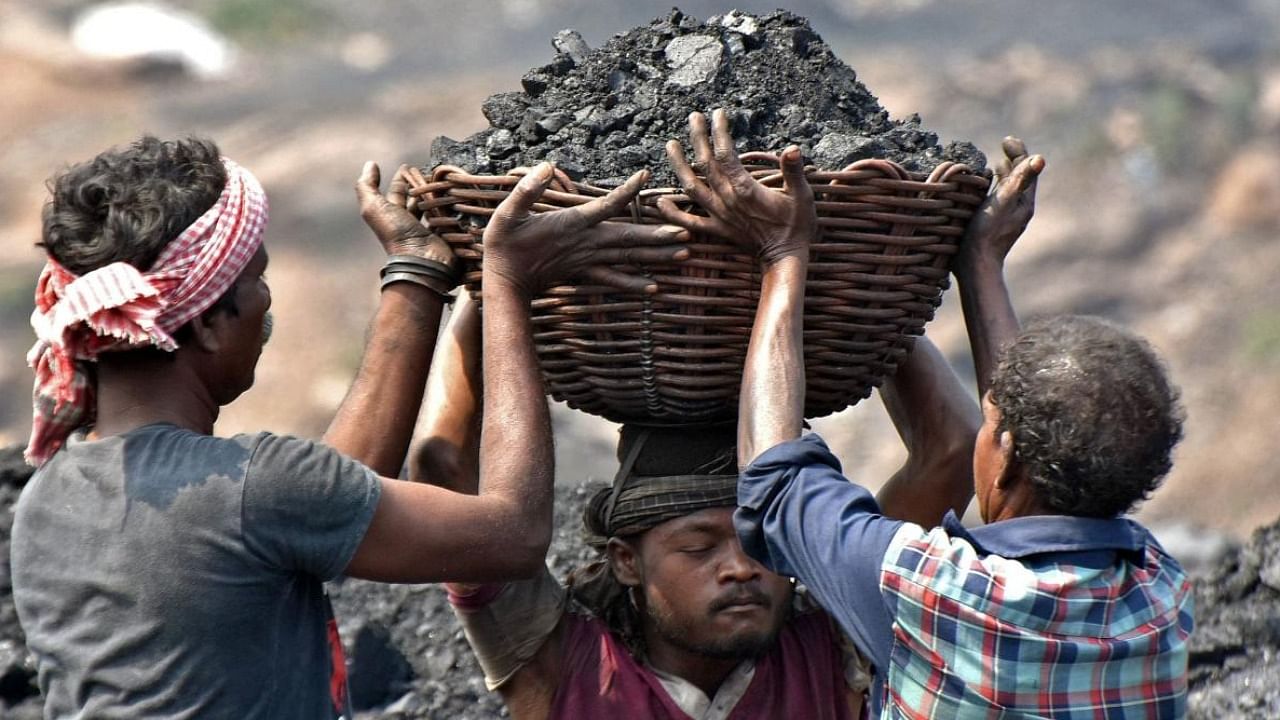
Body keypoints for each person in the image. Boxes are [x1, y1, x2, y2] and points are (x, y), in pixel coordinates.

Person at [10, 136, 688, 718]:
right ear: (212, 323)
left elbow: (333, 495)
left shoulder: (48, 502)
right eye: (258, 281)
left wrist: (416, 273)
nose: (268, 304)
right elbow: (511, 536)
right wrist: (508, 282)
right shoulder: (254, 492)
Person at [413, 173, 980, 720]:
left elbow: (954, 451)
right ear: (626, 561)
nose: (741, 569)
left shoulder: (838, 638)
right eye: (699, 545)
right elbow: (443, 466)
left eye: (765, 545)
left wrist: (864, 292)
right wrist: (487, 279)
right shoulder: (559, 667)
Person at [708, 103, 1194, 718]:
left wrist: (782, 253)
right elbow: (1029, 428)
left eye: (995, 426)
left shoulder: (934, 593)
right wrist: (980, 263)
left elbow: (774, 479)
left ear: (1010, 452)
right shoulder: (1157, 594)